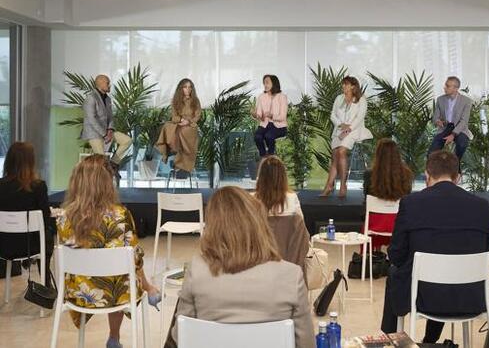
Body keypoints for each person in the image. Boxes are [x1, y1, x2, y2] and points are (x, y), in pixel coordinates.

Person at [170, 186, 315, 348]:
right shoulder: (291, 276)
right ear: (258, 224)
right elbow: (307, 343)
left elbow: (180, 335)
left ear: (211, 228)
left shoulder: (196, 271)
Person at [381, 151, 489, 343]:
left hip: (423, 297)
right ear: (458, 177)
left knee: (394, 273)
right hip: (471, 296)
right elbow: (487, 251)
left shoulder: (411, 203)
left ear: (427, 175)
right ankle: (429, 341)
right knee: (445, 265)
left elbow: (396, 254)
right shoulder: (481, 206)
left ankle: (388, 340)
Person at [56, 155, 161, 348]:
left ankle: (114, 336)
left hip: (78, 293)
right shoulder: (120, 215)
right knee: (119, 277)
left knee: (112, 274)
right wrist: (146, 285)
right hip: (114, 294)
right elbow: (135, 259)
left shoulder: (64, 217)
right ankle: (114, 337)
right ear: (106, 184)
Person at [0, 142, 55, 286]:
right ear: (31, 161)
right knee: (47, 235)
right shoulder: (38, 186)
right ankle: (46, 284)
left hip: (3, 247)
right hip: (31, 247)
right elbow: (45, 218)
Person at [321, 76, 373, 198]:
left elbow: (360, 118)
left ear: (353, 86)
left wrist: (349, 128)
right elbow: (332, 115)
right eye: (343, 84)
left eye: (346, 84)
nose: (343, 86)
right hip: (339, 130)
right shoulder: (339, 98)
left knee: (342, 151)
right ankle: (329, 185)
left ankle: (343, 184)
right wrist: (340, 125)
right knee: (335, 155)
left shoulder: (361, 100)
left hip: (353, 130)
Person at [362, 138, 413, 249]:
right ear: (397, 154)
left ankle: (373, 257)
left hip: (375, 224)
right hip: (398, 223)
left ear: (378, 154)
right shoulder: (407, 174)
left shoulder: (369, 174)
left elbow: (367, 199)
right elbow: (407, 200)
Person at [81, 74, 132, 172]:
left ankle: (113, 163)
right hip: (94, 133)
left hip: (107, 132)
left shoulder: (108, 99)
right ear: (100, 84)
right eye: (107, 83)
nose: (109, 85)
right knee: (102, 160)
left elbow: (110, 117)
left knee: (127, 140)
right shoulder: (91, 97)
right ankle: (100, 182)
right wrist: (104, 134)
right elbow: (91, 119)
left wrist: (110, 129)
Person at [156, 78, 202, 174]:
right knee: (167, 126)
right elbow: (174, 116)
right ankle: (170, 151)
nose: (188, 89)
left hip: (191, 126)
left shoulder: (195, 101)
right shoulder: (175, 100)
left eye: (190, 87)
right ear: (181, 89)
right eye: (185, 87)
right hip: (179, 123)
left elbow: (197, 116)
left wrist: (188, 121)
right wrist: (181, 120)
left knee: (182, 131)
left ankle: (179, 159)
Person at [428, 76, 473, 163]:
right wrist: (437, 121)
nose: (445, 87)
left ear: (456, 88)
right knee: (431, 153)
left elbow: (464, 121)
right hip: (445, 128)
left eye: (448, 86)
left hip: (460, 129)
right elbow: (435, 117)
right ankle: (434, 174)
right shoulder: (440, 99)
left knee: (462, 143)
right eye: (445, 85)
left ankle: (456, 163)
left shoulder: (466, 101)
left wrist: (453, 135)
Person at [252, 75, 288, 157]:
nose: (265, 85)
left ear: (274, 83)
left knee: (268, 136)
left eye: (267, 82)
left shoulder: (282, 97)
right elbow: (260, 116)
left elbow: (283, 117)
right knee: (257, 136)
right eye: (264, 83)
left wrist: (272, 116)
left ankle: (271, 155)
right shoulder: (261, 97)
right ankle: (264, 156)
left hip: (279, 126)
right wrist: (255, 115)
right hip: (265, 125)